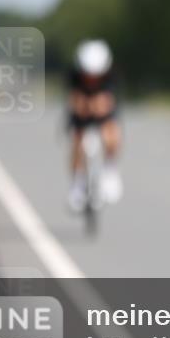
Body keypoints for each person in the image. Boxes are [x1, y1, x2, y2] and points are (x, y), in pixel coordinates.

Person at [66, 39, 122, 211]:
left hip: (104, 114)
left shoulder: (111, 76)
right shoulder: (74, 75)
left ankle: (110, 169)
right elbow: (74, 100)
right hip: (81, 114)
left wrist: (98, 106)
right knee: (77, 139)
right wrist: (83, 106)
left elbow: (108, 102)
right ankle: (77, 183)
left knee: (111, 132)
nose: (91, 79)